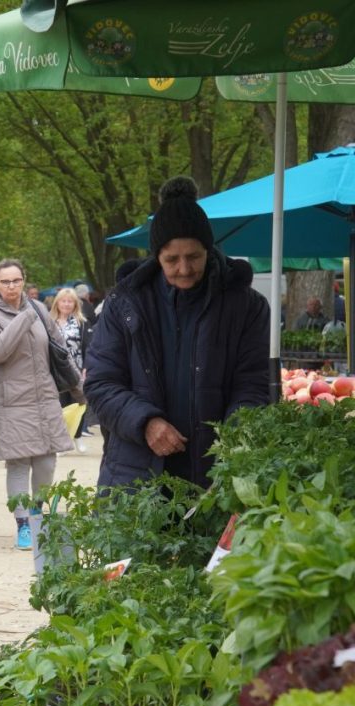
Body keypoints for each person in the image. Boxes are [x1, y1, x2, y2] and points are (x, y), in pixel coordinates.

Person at [86, 176, 268, 490]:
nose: (183, 268)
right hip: (135, 475)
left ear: (209, 251)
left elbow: (254, 383)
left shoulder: (245, 306)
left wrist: (235, 438)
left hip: (218, 476)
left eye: (194, 257)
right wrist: (145, 422)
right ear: (156, 256)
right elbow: (101, 384)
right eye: (172, 259)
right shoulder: (124, 303)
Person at [0, 258, 74, 551]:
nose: (11, 286)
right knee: (18, 462)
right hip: (10, 402)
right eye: (5, 281)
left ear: (24, 280)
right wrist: (21, 318)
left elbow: (58, 347)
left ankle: (37, 513)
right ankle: (22, 525)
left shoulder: (38, 309)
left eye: (16, 280)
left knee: (46, 460)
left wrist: (79, 387)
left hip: (43, 397)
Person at [51, 288, 92, 446]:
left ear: (75, 304)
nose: (66, 304)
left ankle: (78, 435)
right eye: (63, 301)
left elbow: (89, 346)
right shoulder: (49, 322)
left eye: (70, 301)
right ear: (57, 303)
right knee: (59, 405)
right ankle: (62, 440)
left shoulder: (81, 322)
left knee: (79, 402)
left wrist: (86, 367)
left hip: (77, 367)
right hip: (56, 370)